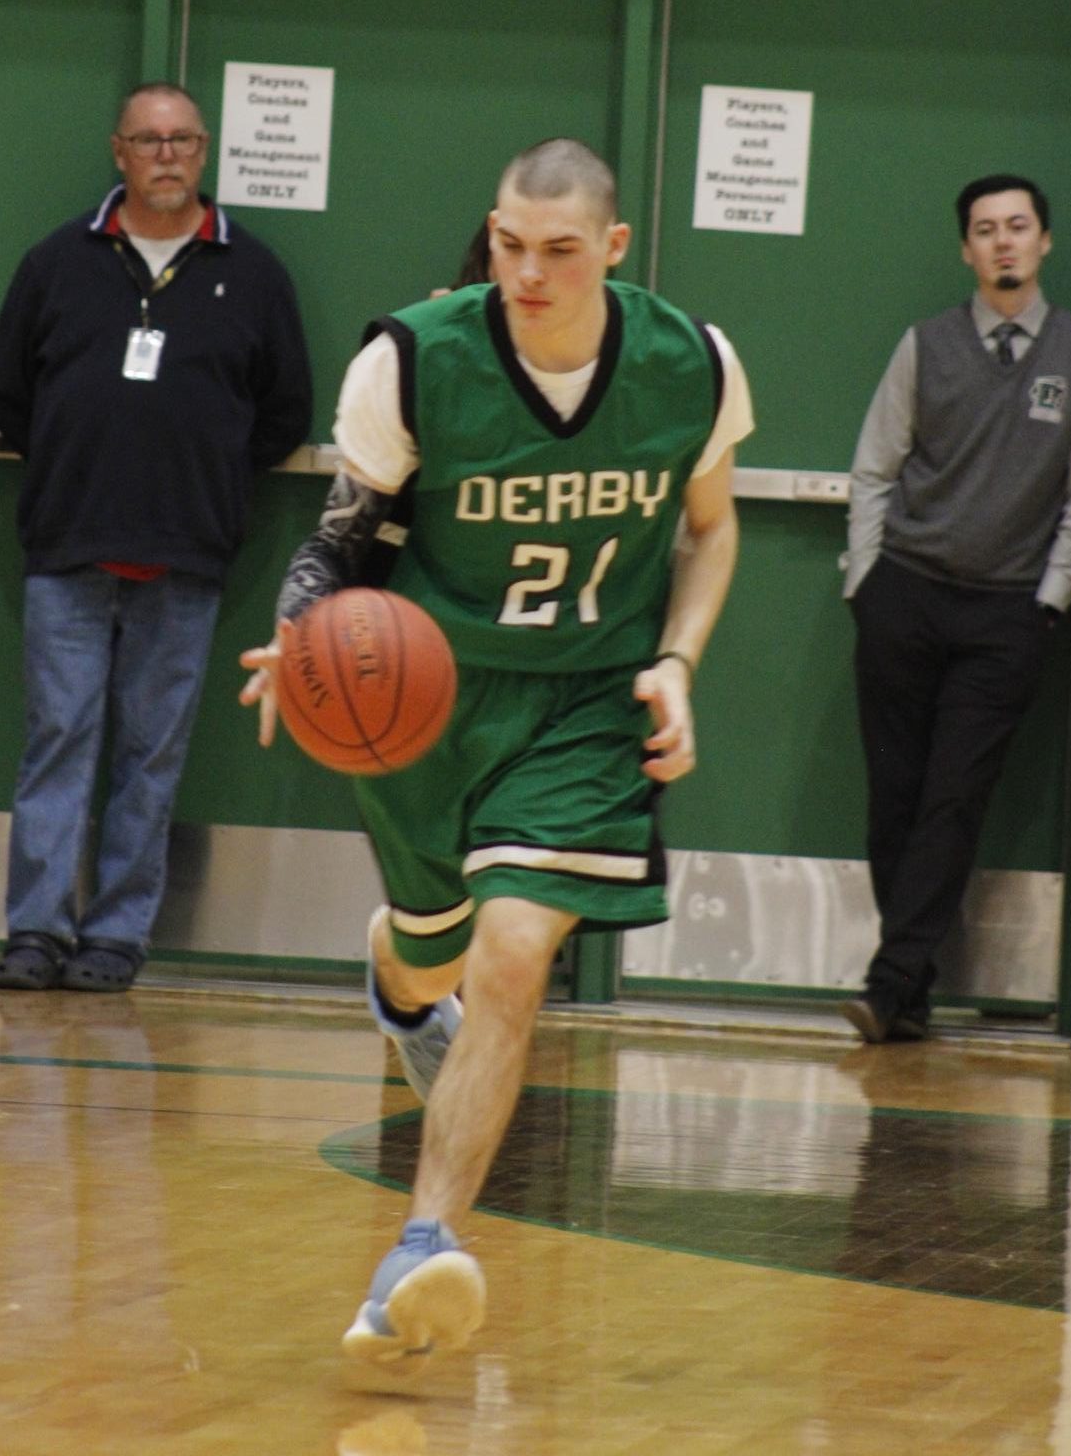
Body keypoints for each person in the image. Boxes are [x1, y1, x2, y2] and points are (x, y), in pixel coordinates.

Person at [240, 137, 753, 1358]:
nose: (528, 272)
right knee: (434, 970)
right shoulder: (414, 358)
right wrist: (297, 629)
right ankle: (401, 981)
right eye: (510, 245)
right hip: (427, 704)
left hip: (581, 703)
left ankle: (419, 1250)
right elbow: (342, 540)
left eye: (559, 252)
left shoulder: (691, 364)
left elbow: (712, 529)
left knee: (515, 958)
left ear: (612, 249)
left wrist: (675, 662)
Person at [0, 83, 312, 993]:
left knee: (151, 753)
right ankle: (36, 932)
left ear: (203, 153)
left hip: (188, 553)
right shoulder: (58, 261)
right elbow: (8, 393)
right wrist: (76, 465)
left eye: (184, 140)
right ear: (118, 153)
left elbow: (285, 410)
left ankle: (116, 936)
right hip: (69, 544)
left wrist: (199, 478)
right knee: (58, 737)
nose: (167, 155)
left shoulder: (253, 272)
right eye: (148, 140)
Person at [842, 174, 1071, 1044]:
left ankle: (889, 983)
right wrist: (865, 581)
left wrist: (1047, 603)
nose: (1002, 242)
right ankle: (909, 992)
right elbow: (876, 468)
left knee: (954, 799)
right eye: (986, 230)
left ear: (1044, 242)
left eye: (1018, 227)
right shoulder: (923, 346)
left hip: (1005, 616)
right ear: (966, 248)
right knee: (897, 799)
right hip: (906, 596)